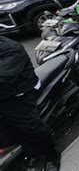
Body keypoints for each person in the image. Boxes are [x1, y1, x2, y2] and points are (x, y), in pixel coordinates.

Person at [0, 36, 60, 171]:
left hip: (19, 91)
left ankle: (51, 155)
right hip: (4, 93)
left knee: (30, 126)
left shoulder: (10, 49)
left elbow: (4, 77)